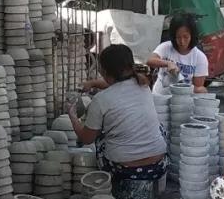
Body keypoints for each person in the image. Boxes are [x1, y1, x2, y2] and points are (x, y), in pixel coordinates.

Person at [68, 44, 168, 181]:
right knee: (159, 128)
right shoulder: (143, 85)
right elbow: (118, 85)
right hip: (158, 165)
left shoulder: (100, 100)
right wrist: (93, 83)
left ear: (104, 71)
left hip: (125, 170)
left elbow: (86, 139)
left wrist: (73, 117)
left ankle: (112, 183)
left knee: (100, 136)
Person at [147, 15, 209, 95]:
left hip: (182, 97)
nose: (182, 41)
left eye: (185, 37)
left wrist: (183, 87)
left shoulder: (199, 57)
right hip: (161, 95)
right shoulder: (166, 47)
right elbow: (150, 60)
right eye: (178, 37)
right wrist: (168, 63)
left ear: (192, 36)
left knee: (202, 90)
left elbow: (198, 87)